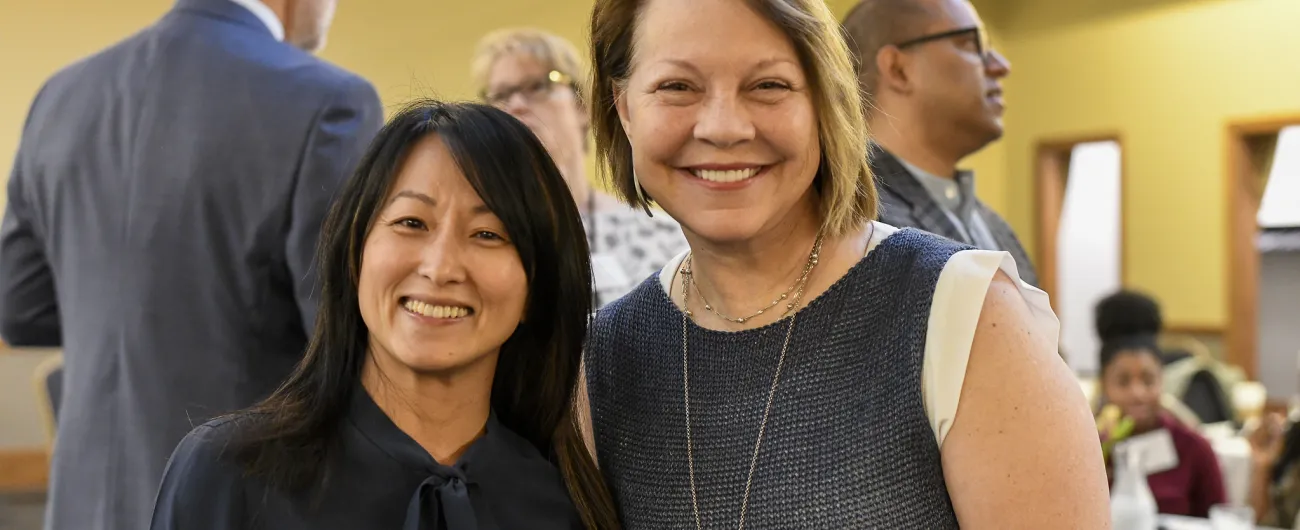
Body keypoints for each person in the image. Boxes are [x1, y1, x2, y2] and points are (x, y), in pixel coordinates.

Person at [579, 0, 1109, 527]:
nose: (724, 127)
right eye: (678, 87)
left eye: (768, 86)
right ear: (623, 107)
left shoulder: (965, 318)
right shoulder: (607, 355)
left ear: (823, 103)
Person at [0, 1, 383, 528]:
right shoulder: (329, 100)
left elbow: (18, 308)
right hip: (240, 497)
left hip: (80, 505)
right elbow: (342, 334)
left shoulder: (60, 95)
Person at [150, 101, 619, 530]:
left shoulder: (562, 508)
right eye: (411, 223)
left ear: (537, 289)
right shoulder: (231, 474)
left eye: (488, 234)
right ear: (355, 254)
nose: (440, 268)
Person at [472, 28, 688, 306]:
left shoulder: (663, 241)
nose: (516, 105)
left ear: (581, 106)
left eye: (538, 86)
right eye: (501, 95)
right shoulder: (480, 236)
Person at [841, 0, 1037, 286]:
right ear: (898, 69)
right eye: (972, 45)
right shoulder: (849, 218)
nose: (1000, 66)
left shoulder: (998, 229)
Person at [1094, 290, 1226, 518]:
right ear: (1104, 385)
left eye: (1148, 380)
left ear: (1162, 381)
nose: (1138, 393)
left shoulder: (1194, 448)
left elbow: (1221, 517)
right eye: (1123, 381)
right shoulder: (1091, 449)